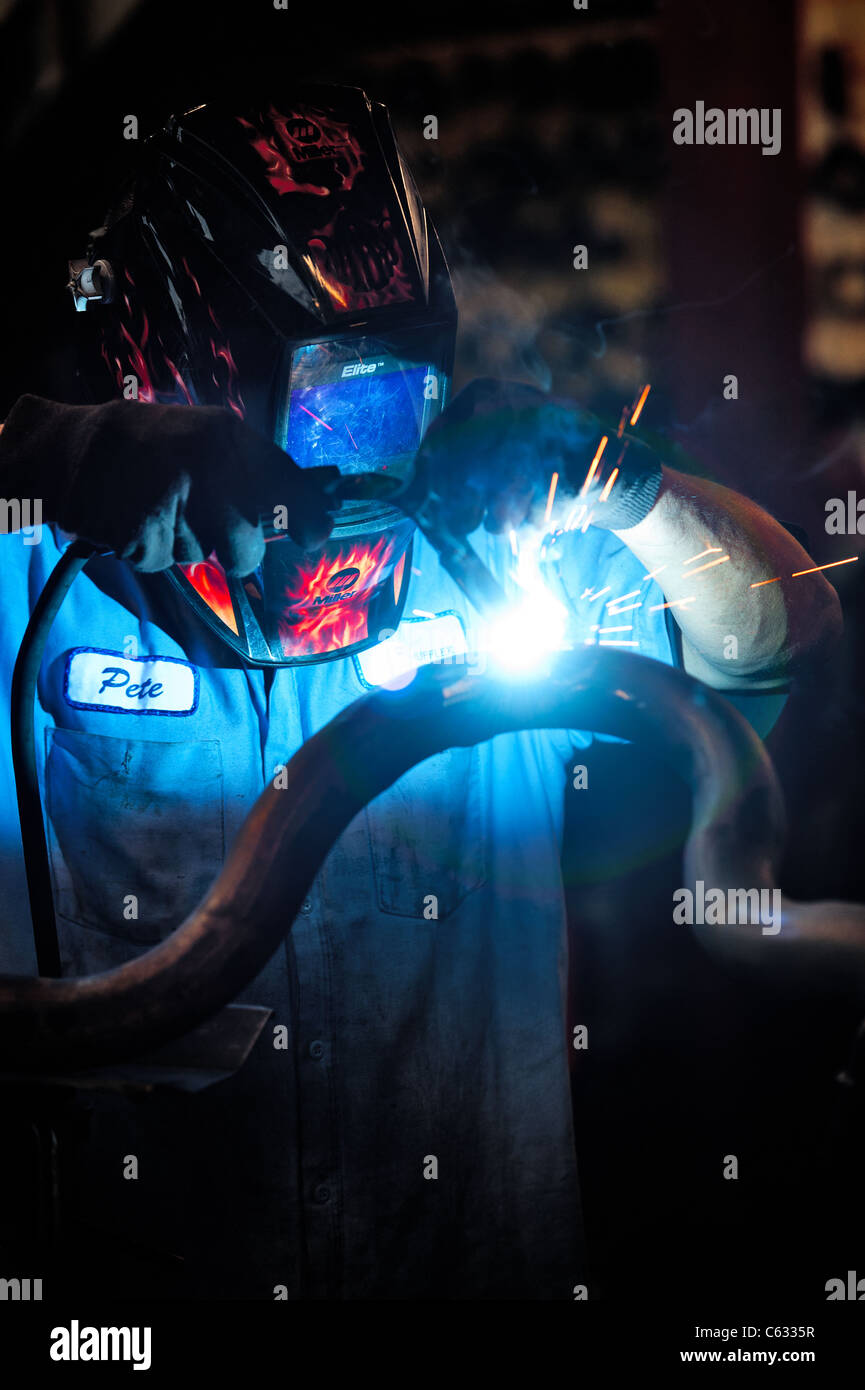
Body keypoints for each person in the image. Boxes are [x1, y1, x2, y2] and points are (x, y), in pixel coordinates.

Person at [0, 87, 841, 1300]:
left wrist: (624, 485)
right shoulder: (33, 594)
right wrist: (39, 455)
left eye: (392, 397)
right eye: (320, 405)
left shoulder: (506, 556)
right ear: (164, 373)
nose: (356, 462)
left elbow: (782, 634)